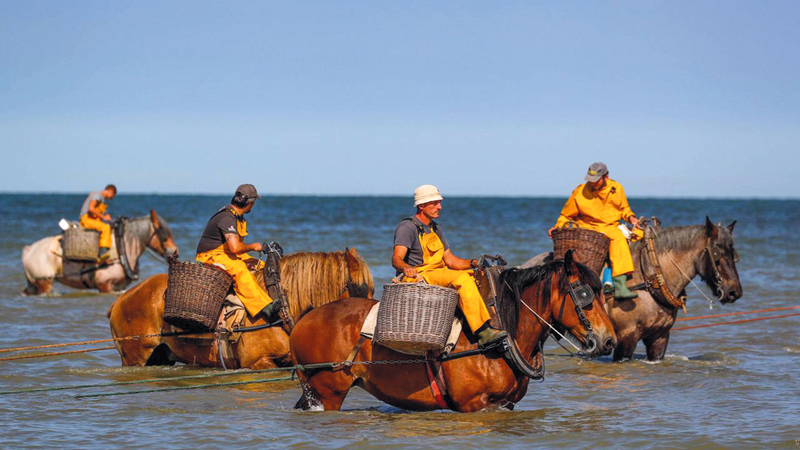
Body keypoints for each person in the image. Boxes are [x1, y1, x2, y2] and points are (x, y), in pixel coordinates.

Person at [392, 184, 507, 348]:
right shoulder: (407, 227)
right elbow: (396, 259)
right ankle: (482, 331)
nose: (440, 207)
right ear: (421, 205)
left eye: (440, 202)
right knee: (460, 278)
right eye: (435, 203)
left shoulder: (435, 227)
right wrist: (405, 268)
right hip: (419, 276)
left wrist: (474, 263)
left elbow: (451, 261)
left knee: (476, 275)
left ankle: (491, 319)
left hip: (439, 273)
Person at [548, 162, 640, 300]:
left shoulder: (617, 188)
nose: (593, 183)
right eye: (590, 180)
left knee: (620, 239)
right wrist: (557, 226)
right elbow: (566, 215)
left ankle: (620, 285)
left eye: (596, 180)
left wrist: (632, 218)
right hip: (586, 227)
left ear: (606, 177)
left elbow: (624, 209)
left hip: (609, 226)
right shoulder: (580, 191)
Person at [195, 184, 281, 321]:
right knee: (239, 269)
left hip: (225, 253)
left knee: (260, 265)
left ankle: (271, 295)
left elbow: (234, 249)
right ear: (250, 203)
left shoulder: (237, 217)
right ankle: (265, 307)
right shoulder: (227, 218)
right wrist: (254, 246)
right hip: (210, 256)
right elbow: (235, 248)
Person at [79, 184, 117, 259]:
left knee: (108, 227)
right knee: (105, 228)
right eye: (112, 196)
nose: (112, 198)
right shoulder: (97, 195)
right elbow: (91, 208)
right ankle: (102, 254)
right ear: (110, 191)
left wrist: (106, 217)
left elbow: (97, 213)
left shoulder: (102, 200)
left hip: (91, 219)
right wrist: (103, 217)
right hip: (86, 219)